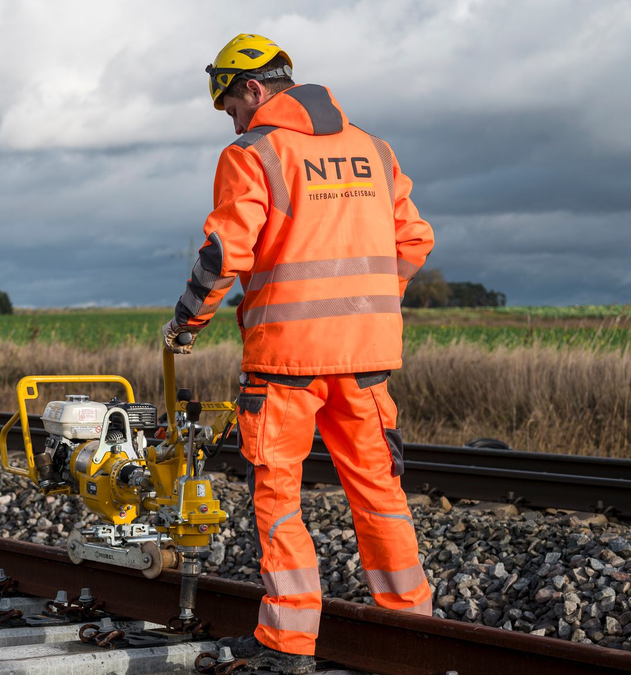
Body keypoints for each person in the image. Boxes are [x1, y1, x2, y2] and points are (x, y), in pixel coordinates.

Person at [161, 34, 435, 674]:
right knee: (379, 492)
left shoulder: (253, 152)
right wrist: (369, 304)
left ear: (253, 88)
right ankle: (411, 628)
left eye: (231, 104)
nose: (232, 118)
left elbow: (226, 253)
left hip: (285, 362)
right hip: (366, 359)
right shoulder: (374, 149)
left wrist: (187, 322)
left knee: (278, 494)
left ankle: (287, 645)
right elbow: (414, 240)